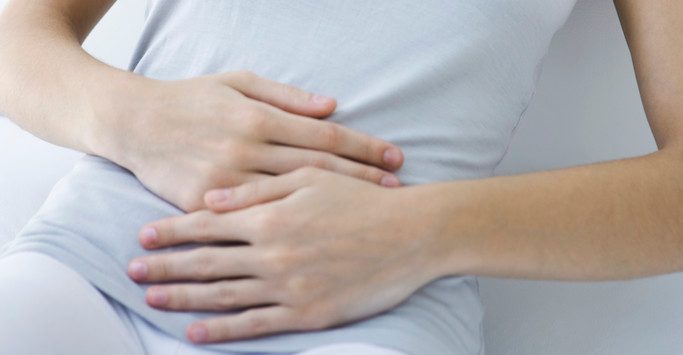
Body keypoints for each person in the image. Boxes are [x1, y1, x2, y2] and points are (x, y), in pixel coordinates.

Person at [1, 0, 681, 354]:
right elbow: (18, 38)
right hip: (97, 265)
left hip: (370, 314)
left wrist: (420, 231)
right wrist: (136, 119)